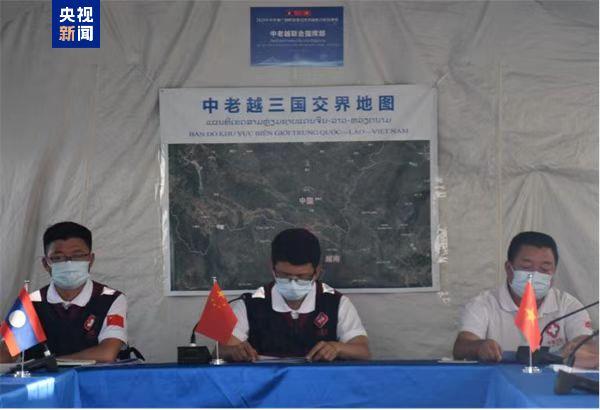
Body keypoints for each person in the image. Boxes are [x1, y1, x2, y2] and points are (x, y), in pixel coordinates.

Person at [219, 228, 371, 362]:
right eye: (284, 275)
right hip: (266, 384)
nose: (293, 283)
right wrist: (234, 351)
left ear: (317, 271)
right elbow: (220, 351)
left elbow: (363, 352)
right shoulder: (250, 305)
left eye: (301, 277)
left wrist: (337, 348)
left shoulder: (336, 303)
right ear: (272, 268)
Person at [453, 231, 597, 368]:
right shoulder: (483, 304)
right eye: (527, 267)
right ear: (509, 269)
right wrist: (479, 347)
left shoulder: (569, 306)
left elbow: (587, 344)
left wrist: (580, 347)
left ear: (553, 272)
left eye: (544, 269)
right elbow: (461, 347)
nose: (535, 275)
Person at [0, 221, 127, 363]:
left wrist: (47, 364)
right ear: (45, 263)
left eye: (78, 256)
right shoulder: (31, 303)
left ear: (90, 260)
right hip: (42, 378)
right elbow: (5, 353)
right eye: (58, 258)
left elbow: (107, 353)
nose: (68, 263)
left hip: (90, 378)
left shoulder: (110, 299)